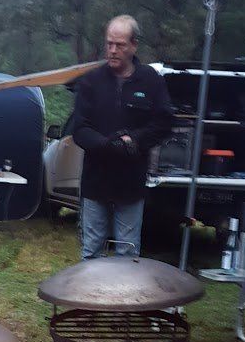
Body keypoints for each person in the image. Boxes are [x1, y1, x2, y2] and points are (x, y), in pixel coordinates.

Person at [73, 15, 173, 258]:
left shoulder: (150, 80)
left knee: (127, 253)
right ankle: (87, 296)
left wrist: (135, 140)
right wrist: (107, 144)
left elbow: (164, 122)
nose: (113, 50)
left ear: (134, 45)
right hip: (96, 182)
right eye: (109, 44)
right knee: (91, 251)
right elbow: (80, 130)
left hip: (130, 184)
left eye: (120, 45)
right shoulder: (91, 81)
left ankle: (125, 297)